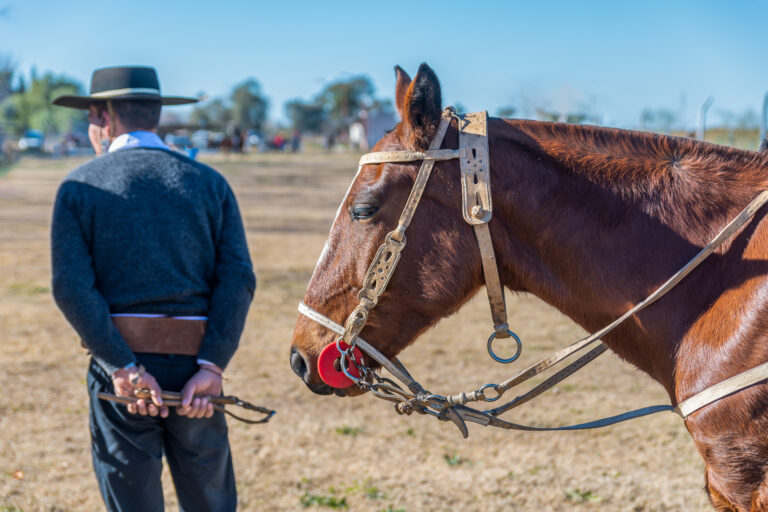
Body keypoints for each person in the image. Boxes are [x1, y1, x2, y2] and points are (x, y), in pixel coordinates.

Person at [50, 66, 256, 511]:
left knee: (133, 500)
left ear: (102, 117)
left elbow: (70, 287)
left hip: (122, 372)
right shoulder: (210, 183)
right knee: (210, 501)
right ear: (156, 116)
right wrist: (213, 366)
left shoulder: (80, 186)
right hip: (196, 374)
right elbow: (238, 278)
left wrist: (121, 365)